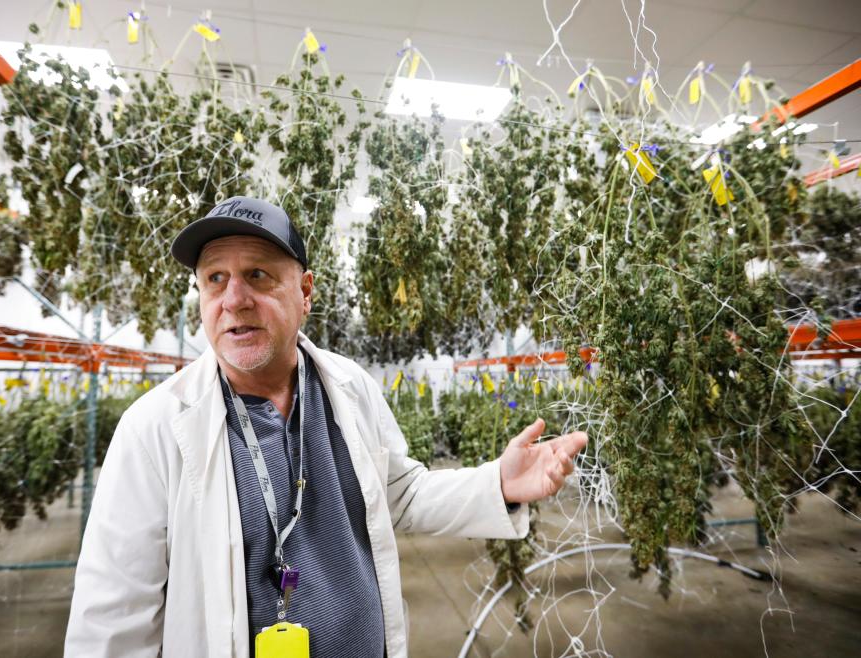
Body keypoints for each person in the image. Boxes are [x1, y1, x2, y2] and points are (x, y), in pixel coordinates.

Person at [64, 196, 588, 658]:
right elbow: (113, 616)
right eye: (214, 279)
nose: (234, 299)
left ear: (306, 291)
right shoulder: (154, 429)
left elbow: (398, 495)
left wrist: (498, 481)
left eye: (258, 276)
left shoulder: (348, 386)